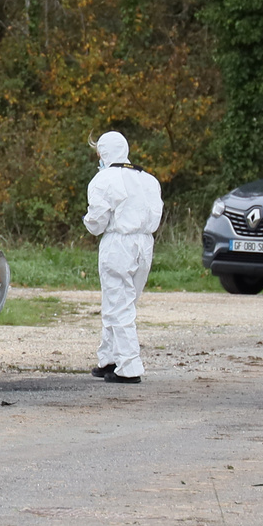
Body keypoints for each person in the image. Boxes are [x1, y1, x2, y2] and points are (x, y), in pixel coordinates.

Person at [83, 131, 163, 384]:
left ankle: (129, 366)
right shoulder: (149, 180)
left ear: (104, 153)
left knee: (118, 303)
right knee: (122, 302)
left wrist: (88, 222)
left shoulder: (103, 179)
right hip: (144, 244)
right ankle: (109, 359)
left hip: (118, 243)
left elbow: (96, 223)